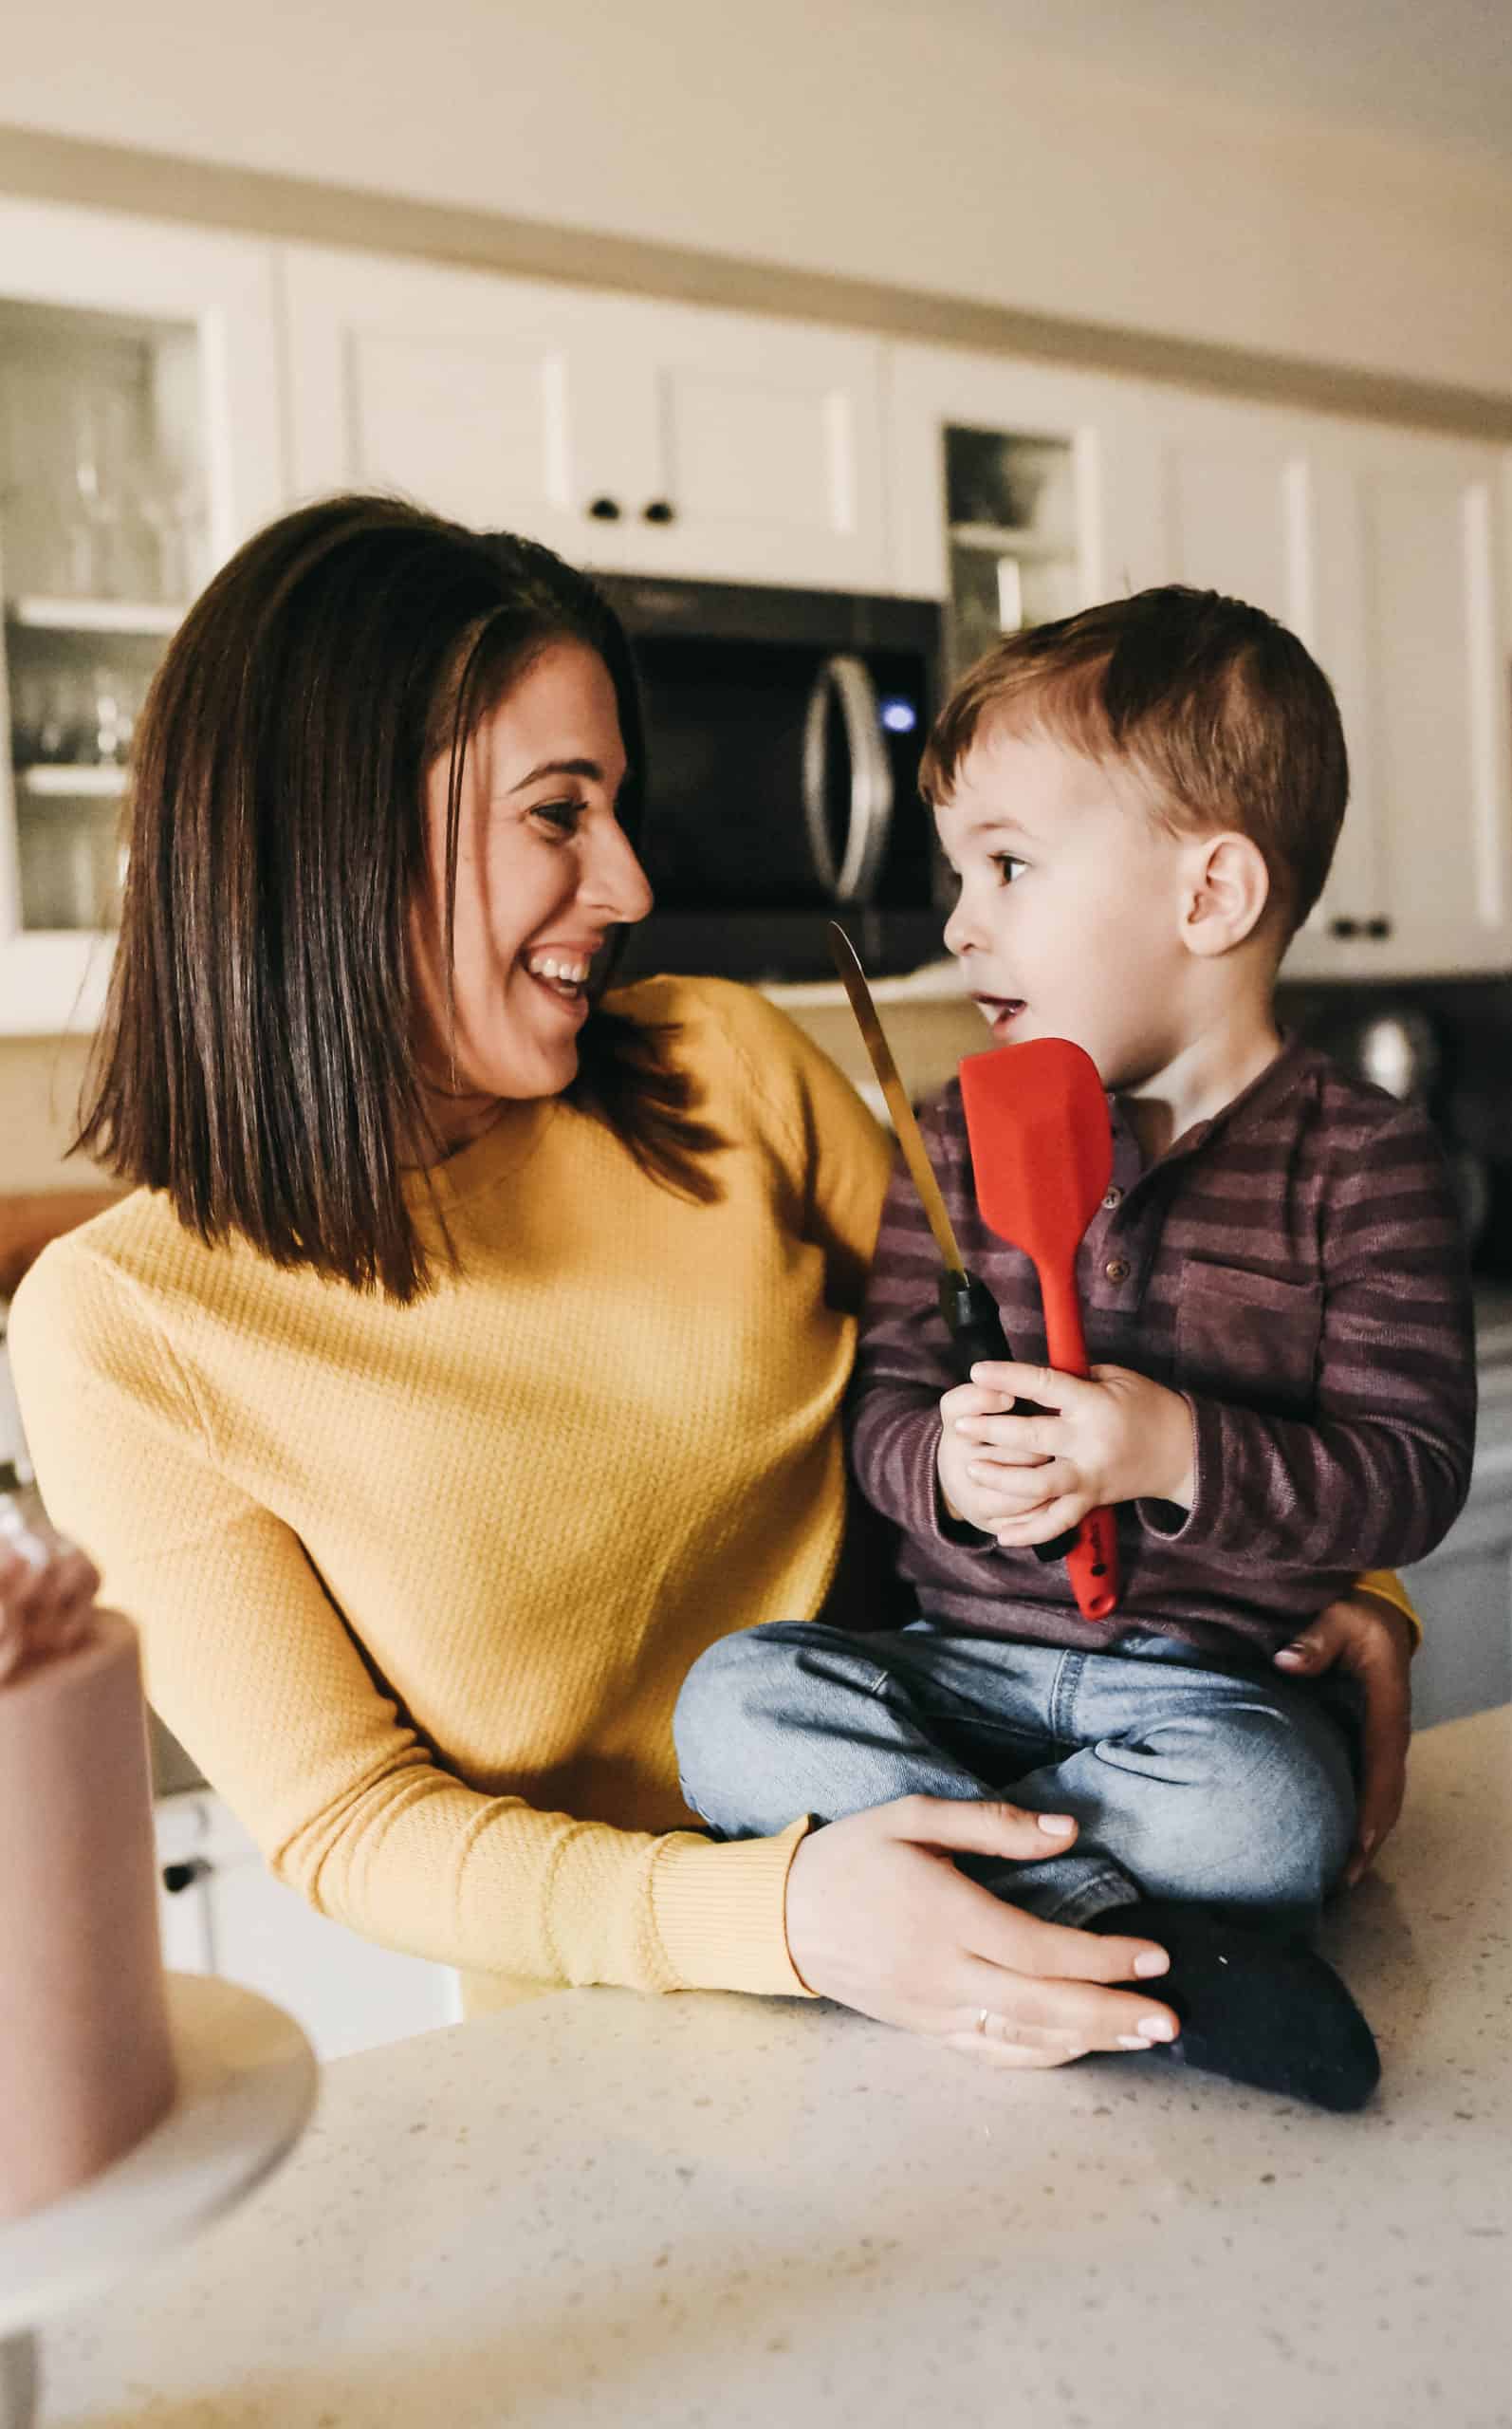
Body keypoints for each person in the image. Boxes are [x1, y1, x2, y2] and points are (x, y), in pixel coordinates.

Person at [10, 501, 1417, 2074]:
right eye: (558, 813)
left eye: (616, 806)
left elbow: (1073, 1378)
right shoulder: (122, 1331)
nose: (624, 880)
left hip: (1041, 1905)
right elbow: (352, 1824)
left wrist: (1329, 1587)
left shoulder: (716, 1063)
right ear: (326, 834)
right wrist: (785, 1918)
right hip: (656, 2052)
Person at [675, 587, 1475, 2108]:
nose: (962, 922)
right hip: (951, 1681)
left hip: (1195, 1696)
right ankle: (1127, 1937)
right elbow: (886, 1416)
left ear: (1209, 893)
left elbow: (1409, 1477)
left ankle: (983, 1916)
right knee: (736, 1705)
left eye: (1010, 866)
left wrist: (1172, 1449)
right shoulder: (950, 1150)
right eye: (958, 873)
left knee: (1266, 1810)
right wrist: (948, 1472)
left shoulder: (1363, 1168)